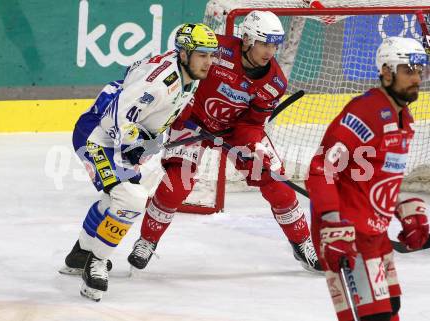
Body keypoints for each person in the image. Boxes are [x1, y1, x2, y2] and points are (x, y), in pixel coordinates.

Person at [127, 10, 321, 273]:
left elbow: (253, 123)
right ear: (248, 39)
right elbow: (182, 73)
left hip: (235, 131)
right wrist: (183, 115)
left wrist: (251, 148)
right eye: (264, 43)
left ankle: (302, 242)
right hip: (193, 121)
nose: (270, 51)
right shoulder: (216, 50)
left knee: (277, 183)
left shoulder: (275, 82)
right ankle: (147, 241)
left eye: (274, 45)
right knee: (177, 185)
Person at [60, 23, 219, 301]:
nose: (209, 62)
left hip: (114, 137)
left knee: (114, 200)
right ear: (183, 54)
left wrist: (147, 137)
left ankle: (80, 253)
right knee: (132, 198)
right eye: (202, 55)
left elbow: (135, 82)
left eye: (211, 55)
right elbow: (118, 113)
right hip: (97, 136)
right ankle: (95, 263)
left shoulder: (188, 75)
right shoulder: (160, 83)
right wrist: (133, 141)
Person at [305, 36, 430, 321]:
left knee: (392, 308)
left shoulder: (405, 118)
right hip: (345, 232)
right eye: (408, 70)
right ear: (386, 71)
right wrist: (333, 224)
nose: (416, 78)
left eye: (420, 71)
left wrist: (400, 207)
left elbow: (373, 179)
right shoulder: (365, 111)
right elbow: (320, 168)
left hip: (374, 230)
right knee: (373, 317)